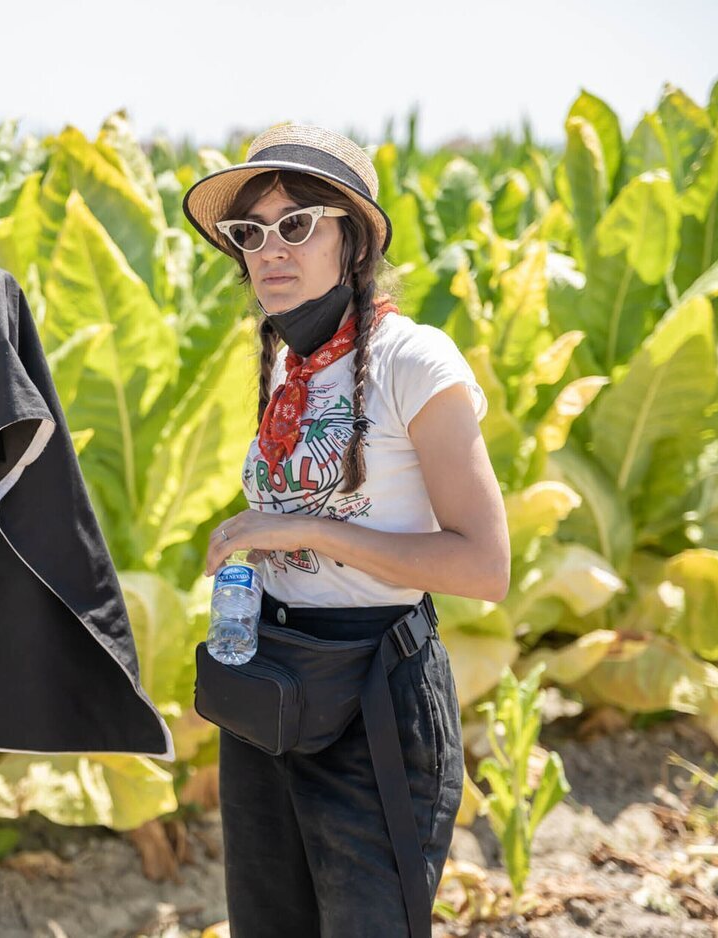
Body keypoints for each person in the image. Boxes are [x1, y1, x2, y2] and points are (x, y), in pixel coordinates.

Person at [181, 122, 511, 937]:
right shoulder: (288, 367)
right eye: (249, 233)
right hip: (270, 688)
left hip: (374, 702)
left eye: (297, 224)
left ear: (353, 239)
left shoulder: (415, 361)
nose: (270, 250)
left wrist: (310, 533)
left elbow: (483, 566)